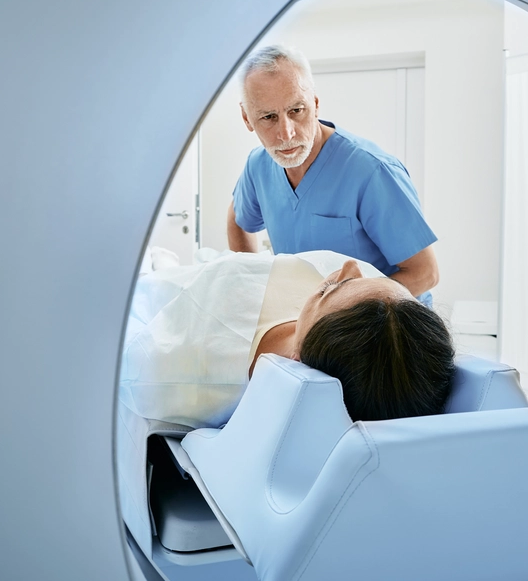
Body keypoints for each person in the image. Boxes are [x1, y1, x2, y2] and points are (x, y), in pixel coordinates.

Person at [118, 250, 454, 429]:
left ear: (299, 357)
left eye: (332, 288)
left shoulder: (180, 368)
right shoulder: (374, 318)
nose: (350, 266)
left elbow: (129, 327)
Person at [227, 44, 440, 305]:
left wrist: (342, 310)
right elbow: (239, 218)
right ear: (247, 118)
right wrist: (256, 285)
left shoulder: (371, 171)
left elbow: (425, 274)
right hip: (310, 320)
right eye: (268, 117)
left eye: (296, 110)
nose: (286, 133)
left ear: (315, 104)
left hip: (384, 325)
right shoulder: (258, 166)